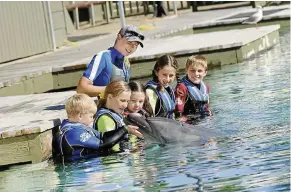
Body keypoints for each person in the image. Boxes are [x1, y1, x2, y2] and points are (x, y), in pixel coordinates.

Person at [53, 93, 134, 161]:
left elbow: (103, 136)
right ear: (80, 115)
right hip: (80, 172)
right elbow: (103, 144)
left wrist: (123, 130)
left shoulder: (78, 128)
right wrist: (124, 130)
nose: (93, 119)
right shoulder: (73, 133)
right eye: (91, 116)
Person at [76, 25, 145, 98]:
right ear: (119, 37)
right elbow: (81, 88)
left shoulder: (126, 62)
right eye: (129, 43)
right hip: (105, 107)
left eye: (136, 45)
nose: (132, 48)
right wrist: (111, 90)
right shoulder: (103, 56)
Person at [94, 80, 143, 152]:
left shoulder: (116, 115)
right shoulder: (105, 118)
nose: (125, 105)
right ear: (110, 97)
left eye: (127, 101)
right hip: (114, 161)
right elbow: (110, 145)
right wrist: (126, 130)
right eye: (122, 100)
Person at [175, 55, 212, 122]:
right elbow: (178, 112)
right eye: (192, 70)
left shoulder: (206, 87)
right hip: (189, 123)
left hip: (203, 119)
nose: (196, 74)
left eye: (199, 71)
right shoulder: (182, 88)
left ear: (205, 72)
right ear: (186, 70)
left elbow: (206, 107)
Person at [144, 54, 178, 119]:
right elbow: (149, 119)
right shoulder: (150, 92)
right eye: (164, 75)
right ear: (156, 72)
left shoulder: (168, 89)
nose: (167, 79)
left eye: (171, 76)